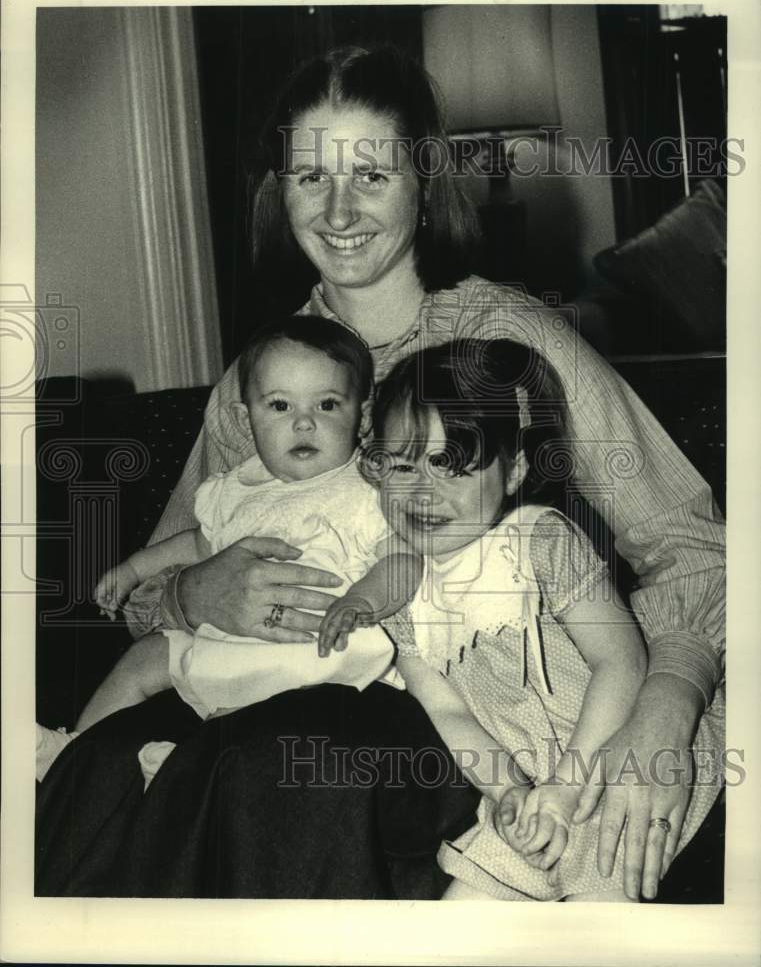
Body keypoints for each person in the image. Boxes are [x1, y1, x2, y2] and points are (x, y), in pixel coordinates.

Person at [35, 44, 725, 901]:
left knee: (282, 765)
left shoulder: (511, 341)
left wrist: (663, 711)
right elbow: (145, 596)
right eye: (309, 177)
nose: (338, 210)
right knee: (100, 766)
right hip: (256, 686)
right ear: (278, 192)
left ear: (423, 184)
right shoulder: (263, 377)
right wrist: (190, 593)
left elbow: (693, 548)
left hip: (451, 716)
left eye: (370, 174)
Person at [339, 337, 723, 902]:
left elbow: (620, 661)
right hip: (533, 796)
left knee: (600, 915)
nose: (422, 491)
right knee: (447, 927)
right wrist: (507, 791)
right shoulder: (400, 598)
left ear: (514, 471)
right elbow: (447, 710)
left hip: (613, 764)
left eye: (451, 466)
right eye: (401, 463)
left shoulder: (538, 541)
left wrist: (567, 786)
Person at [36, 317, 422, 779]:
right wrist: (134, 569)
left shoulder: (365, 487)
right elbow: (196, 544)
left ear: (363, 414)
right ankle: (73, 752)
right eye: (279, 405)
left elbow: (403, 560)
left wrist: (362, 601)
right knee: (145, 658)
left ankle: (183, 768)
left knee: (269, 719)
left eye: (327, 404)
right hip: (228, 641)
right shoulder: (232, 490)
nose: (303, 422)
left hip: (314, 648)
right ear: (245, 419)